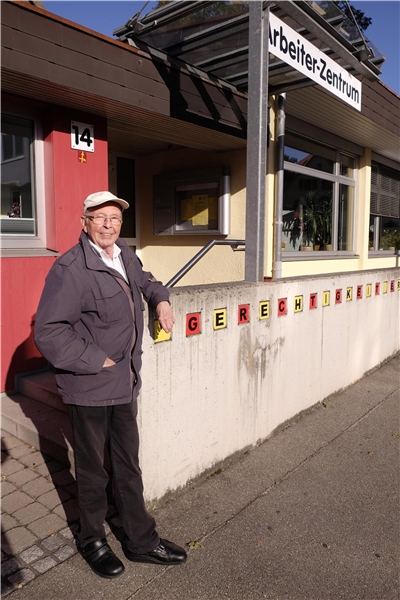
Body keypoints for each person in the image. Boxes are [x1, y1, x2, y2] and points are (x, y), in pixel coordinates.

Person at [34, 191, 187, 579]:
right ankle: (92, 539)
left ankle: (140, 540)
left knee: (127, 464)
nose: (108, 225)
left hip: (124, 383)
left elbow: (147, 280)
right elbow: (50, 332)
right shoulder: (71, 268)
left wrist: (161, 300)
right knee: (92, 469)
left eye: (115, 219)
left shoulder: (123, 254)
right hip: (90, 386)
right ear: (84, 221)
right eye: (100, 217)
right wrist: (94, 360)